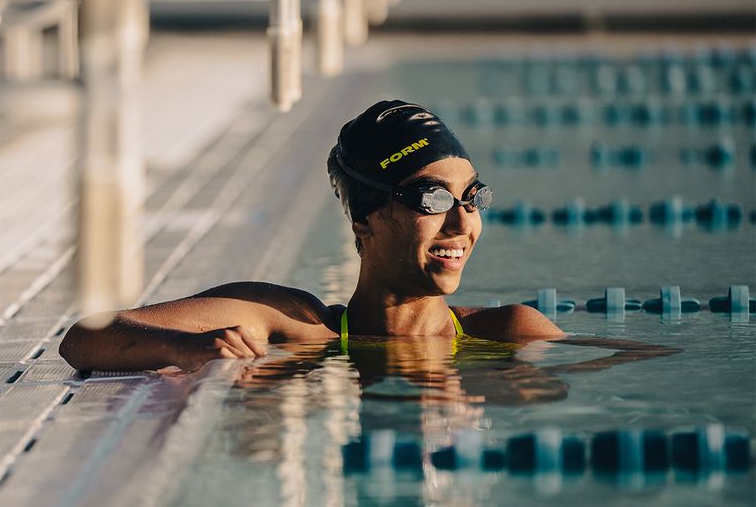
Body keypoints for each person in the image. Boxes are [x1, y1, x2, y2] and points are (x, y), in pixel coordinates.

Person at [59, 100, 676, 374]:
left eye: (472, 197)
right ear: (364, 220)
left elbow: (644, 367)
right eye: (431, 200)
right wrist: (189, 349)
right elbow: (86, 340)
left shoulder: (507, 332)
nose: (462, 223)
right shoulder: (293, 323)